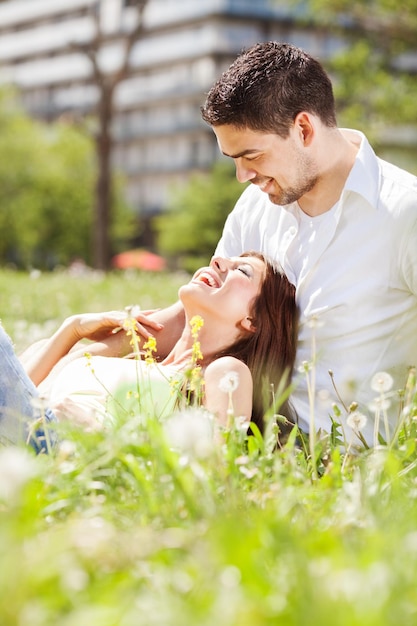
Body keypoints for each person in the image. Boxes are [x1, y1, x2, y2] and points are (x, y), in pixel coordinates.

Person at [198, 41, 417, 445]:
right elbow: (200, 314)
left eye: (252, 156)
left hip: (337, 467)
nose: (242, 176)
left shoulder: (405, 212)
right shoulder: (255, 205)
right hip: (243, 437)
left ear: (303, 129)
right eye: (233, 160)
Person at [13, 252, 297, 442]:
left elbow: (216, 464)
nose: (218, 260)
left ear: (254, 320)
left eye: (243, 271)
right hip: (19, 432)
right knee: (36, 346)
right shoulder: (141, 364)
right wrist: (72, 329)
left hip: (53, 448)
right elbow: (22, 395)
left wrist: (98, 435)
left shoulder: (225, 371)